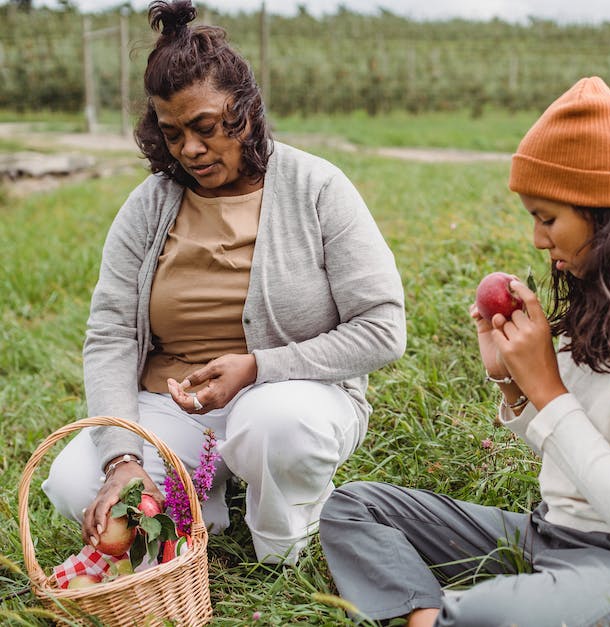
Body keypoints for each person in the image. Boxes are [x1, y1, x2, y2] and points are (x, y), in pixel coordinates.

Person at [318, 76, 610, 625]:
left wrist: (546, 385)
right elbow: (574, 445)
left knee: (487, 617)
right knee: (353, 507)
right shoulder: (609, 282)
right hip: (555, 535)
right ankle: (434, 616)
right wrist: (514, 385)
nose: (539, 240)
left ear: (605, 209)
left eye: (548, 218)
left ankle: (443, 618)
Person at [41, 0, 406, 566]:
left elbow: (383, 329)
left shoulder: (317, 187)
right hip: (173, 404)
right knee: (73, 481)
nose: (189, 148)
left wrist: (258, 367)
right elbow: (111, 333)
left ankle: (283, 546)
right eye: (173, 133)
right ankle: (199, 505)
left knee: (273, 425)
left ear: (246, 112)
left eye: (206, 127)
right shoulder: (149, 207)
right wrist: (122, 459)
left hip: (290, 394)